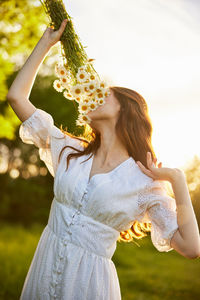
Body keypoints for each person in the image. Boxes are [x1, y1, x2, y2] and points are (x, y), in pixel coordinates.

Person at [7, 19, 200, 300]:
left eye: (104, 95)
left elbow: (191, 248)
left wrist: (178, 180)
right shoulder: (69, 151)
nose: (91, 98)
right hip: (44, 270)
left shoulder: (144, 183)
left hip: (89, 284)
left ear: (127, 110)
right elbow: (16, 97)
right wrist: (46, 44)